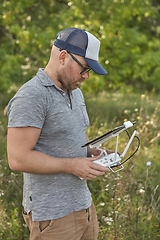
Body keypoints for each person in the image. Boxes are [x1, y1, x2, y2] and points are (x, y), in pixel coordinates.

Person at [7, 27, 111, 240]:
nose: (86, 77)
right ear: (63, 56)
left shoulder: (75, 91)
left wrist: (91, 152)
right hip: (53, 216)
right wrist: (72, 166)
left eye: (89, 71)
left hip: (84, 205)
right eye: (84, 69)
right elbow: (17, 159)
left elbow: (72, 137)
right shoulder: (31, 96)